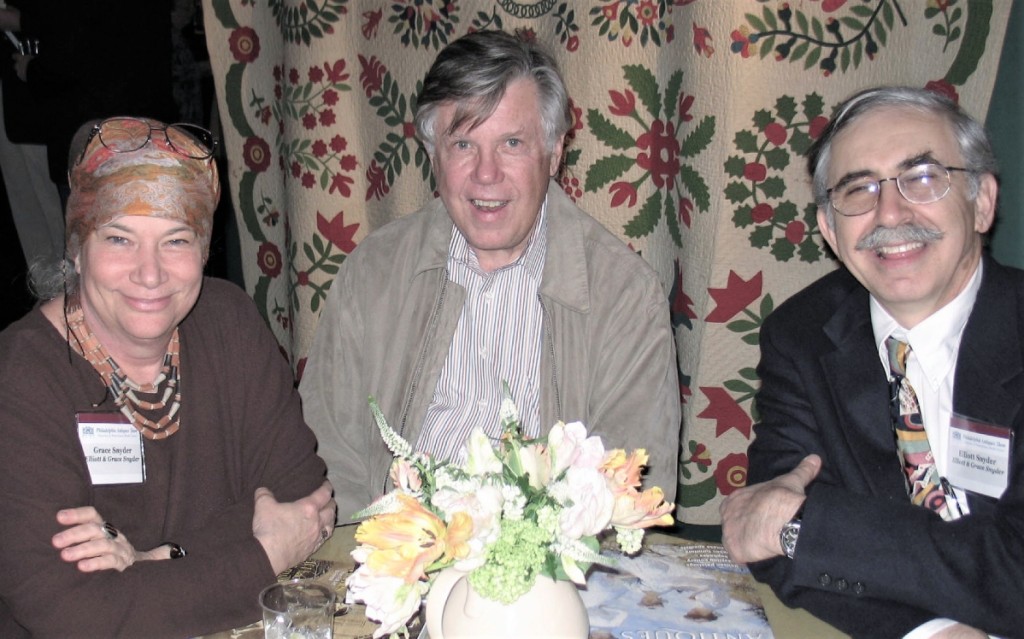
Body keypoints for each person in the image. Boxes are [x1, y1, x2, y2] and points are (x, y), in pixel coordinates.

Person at [300, 30, 681, 521]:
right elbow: (325, 455)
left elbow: (626, 492)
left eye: (512, 143)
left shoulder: (625, 296)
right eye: (463, 144)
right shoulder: (374, 271)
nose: (486, 174)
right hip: (394, 555)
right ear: (434, 154)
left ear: (555, 151)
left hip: (546, 572)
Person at [0, 117, 336, 638]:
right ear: (77, 246)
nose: (150, 274)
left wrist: (156, 560)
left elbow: (305, 502)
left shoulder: (228, 321)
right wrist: (263, 552)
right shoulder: (20, 379)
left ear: (203, 250)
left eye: (176, 240)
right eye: (120, 238)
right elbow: (74, 616)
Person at [719, 86, 1024, 638]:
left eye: (923, 178)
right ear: (831, 231)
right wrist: (927, 631)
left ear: (981, 202)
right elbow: (764, 534)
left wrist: (815, 527)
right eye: (858, 189)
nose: (890, 211)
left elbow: (1019, 565)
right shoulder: (802, 335)